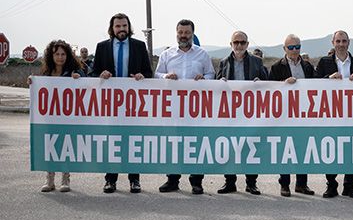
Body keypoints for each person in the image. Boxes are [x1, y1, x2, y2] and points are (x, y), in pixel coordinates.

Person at [92, 13, 153, 194]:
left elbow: (148, 72)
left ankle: (134, 180)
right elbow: (93, 72)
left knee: (133, 141)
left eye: (124, 26)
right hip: (110, 104)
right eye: (118, 26)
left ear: (129, 27)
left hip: (133, 104)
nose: (121, 29)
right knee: (112, 142)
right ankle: (110, 180)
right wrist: (101, 74)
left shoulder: (139, 46)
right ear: (112, 28)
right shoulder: (102, 47)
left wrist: (142, 76)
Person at [155, 19, 215, 194]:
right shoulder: (167, 55)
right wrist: (165, 76)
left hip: (196, 109)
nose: (183, 36)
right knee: (174, 144)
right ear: (176, 33)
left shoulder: (202, 54)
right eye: (180, 32)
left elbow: (211, 73)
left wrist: (204, 79)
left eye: (187, 32)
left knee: (196, 144)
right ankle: (172, 180)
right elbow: (157, 74)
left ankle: (196, 181)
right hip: (173, 108)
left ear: (192, 34)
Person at [316, 30, 353, 199]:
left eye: (344, 41)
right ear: (333, 42)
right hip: (331, 114)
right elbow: (314, 83)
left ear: (348, 42)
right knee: (330, 149)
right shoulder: (324, 62)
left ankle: (349, 185)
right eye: (338, 41)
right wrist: (328, 78)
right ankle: (331, 185)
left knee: (352, 149)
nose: (341, 44)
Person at [216, 31, 268, 195]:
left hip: (251, 112)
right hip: (230, 112)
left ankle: (251, 183)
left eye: (242, 42)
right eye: (236, 42)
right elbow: (216, 85)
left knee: (251, 146)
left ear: (247, 44)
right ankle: (229, 182)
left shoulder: (257, 62)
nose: (239, 45)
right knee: (230, 147)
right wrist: (219, 82)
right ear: (230, 44)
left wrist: (261, 82)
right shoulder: (224, 62)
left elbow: (267, 82)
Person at [29, 40, 84, 193]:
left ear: (67, 55)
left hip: (68, 117)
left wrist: (78, 77)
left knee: (66, 147)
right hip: (50, 117)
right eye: (57, 54)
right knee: (50, 147)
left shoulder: (73, 71)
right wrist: (32, 83)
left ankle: (65, 179)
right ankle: (50, 179)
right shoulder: (46, 73)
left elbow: (86, 80)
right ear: (51, 56)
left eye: (63, 54)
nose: (60, 57)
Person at [268, 34, 316, 197]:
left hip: (304, 114)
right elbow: (270, 89)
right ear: (284, 49)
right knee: (285, 150)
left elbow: (317, 85)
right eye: (291, 47)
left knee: (303, 149)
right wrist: (283, 85)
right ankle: (285, 184)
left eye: (297, 47)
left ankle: (302, 184)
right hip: (284, 116)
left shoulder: (307, 66)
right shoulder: (276, 67)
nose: (294, 50)